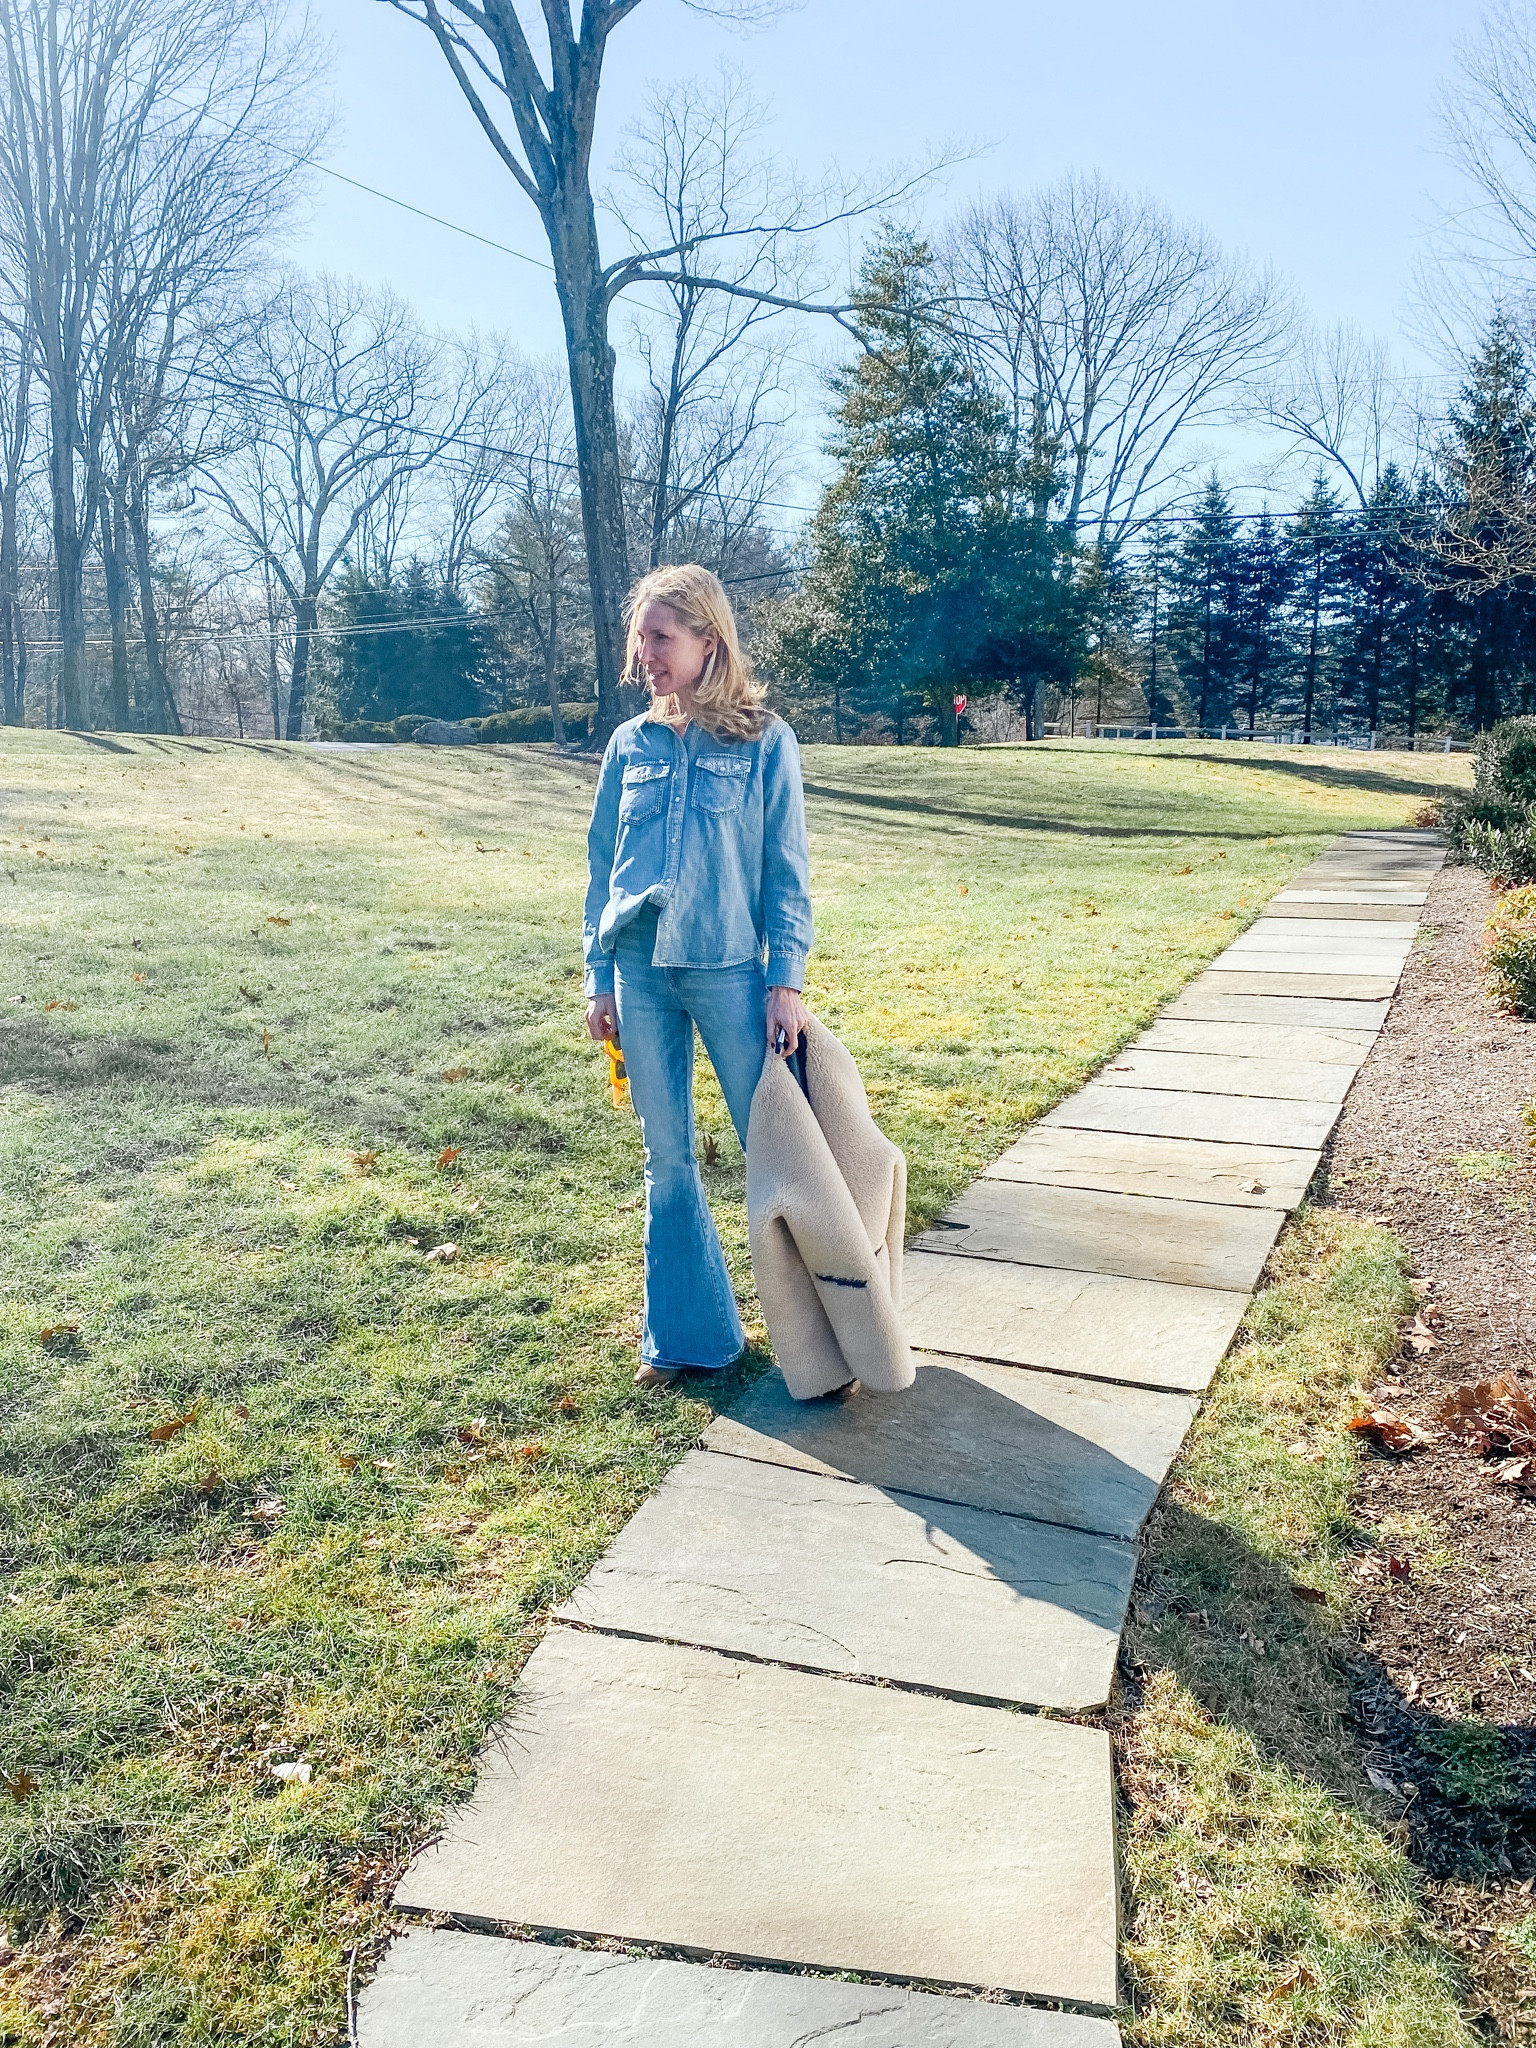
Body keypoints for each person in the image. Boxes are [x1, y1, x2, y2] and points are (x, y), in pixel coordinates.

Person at [583, 564, 814, 1389]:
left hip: (727, 972)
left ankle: (823, 1339)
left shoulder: (762, 739)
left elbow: (785, 873)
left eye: (660, 637)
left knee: (776, 1154)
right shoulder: (628, 745)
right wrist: (598, 976)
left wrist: (783, 981)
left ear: (706, 640)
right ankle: (689, 1338)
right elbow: (601, 868)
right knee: (668, 1158)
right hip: (641, 971)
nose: (645, 652)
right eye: (639, 637)